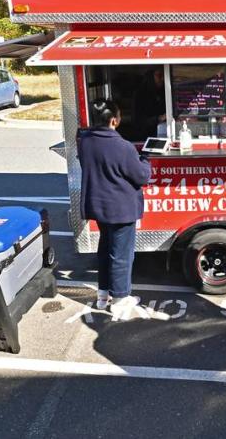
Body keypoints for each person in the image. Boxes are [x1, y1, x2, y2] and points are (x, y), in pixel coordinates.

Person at [77, 99, 152, 319]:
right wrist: (145, 158)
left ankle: (103, 295)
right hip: (121, 208)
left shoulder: (86, 142)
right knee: (121, 254)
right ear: (114, 120)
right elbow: (142, 175)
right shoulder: (123, 147)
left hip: (99, 207)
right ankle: (120, 299)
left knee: (105, 251)